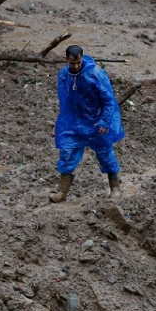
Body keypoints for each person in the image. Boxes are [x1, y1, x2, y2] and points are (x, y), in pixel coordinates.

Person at [51, 45, 125, 202]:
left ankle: (115, 186)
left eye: (78, 62)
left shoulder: (96, 74)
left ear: (82, 58)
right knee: (66, 153)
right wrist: (62, 123)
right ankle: (62, 192)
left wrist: (104, 121)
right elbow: (64, 99)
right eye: (72, 63)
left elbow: (108, 100)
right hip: (73, 122)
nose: (76, 66)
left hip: (95, 121)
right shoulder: (64, 75)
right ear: (66, 60)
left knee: (105, 153)